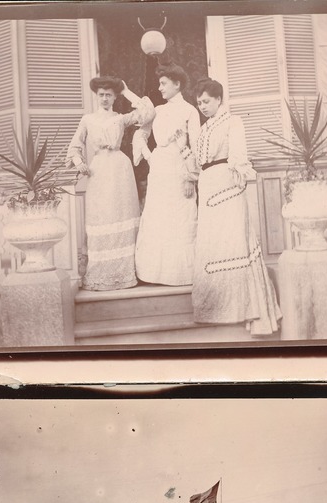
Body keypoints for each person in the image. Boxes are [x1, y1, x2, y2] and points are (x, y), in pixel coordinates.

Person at [192, 78, 281, 336]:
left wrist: (238, 180)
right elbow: (201, 161)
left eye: (206, 101)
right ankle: (217, 308)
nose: (202, 107)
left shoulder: (233, 122)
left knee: (233, 241)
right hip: (207, 184)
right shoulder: (205, 128)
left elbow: (238, 155)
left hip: (227, 184)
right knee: (213, 242)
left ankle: (245, 308)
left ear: (219, 99)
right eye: (199, 103)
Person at [66, 75, 152, 290]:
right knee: (102, 215)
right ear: (97, 96)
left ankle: (126, 273)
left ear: (114, 97)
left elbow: (147, 112)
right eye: (101, 95)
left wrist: (126, 91)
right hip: (99, 170)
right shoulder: (88, 119)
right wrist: (79, 163)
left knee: (121, 212)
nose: (104, 98)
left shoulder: (121, 118)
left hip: (120, 169)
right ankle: (101, 276)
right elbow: (75, 146)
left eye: (109, 95)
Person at [133, 65, 200, 285]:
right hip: (159, 170)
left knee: (180, 219)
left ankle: (180, 275)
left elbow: (196, 147)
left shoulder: (190, 110)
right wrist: (149, 155)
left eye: (163, 83)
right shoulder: (158, 111)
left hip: (180, 170)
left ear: (177, 84)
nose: (159, 88)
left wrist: (190, 177)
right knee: (158, 217)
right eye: (159, 83)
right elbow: (140, 135)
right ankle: (154, 274)